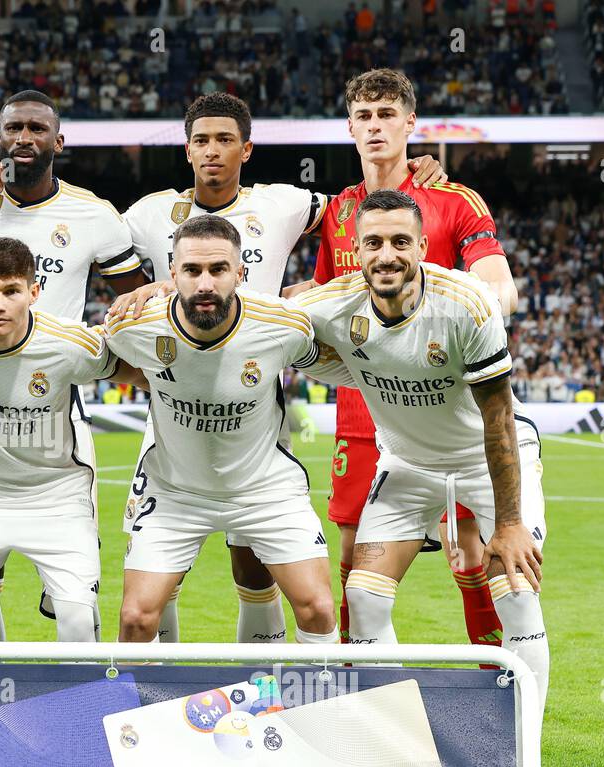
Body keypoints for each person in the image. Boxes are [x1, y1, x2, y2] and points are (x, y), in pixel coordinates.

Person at [111, 91, 443, 644]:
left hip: (258, 403)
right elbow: (82, 240)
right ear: (186, 150)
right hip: (173, 409)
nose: (212, 151)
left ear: (247, 149)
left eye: (224, 140)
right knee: (156, 589)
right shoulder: (148, 213)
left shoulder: (282, 203)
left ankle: (259, 695)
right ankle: (155, 706)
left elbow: (358, 210)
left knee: (254, 565)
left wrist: (410, 169)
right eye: (201, 141)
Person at [296, 190, 549, 709]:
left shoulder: (465, 305)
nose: (386, 254)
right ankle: (395, 749)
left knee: (518, 592)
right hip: (408, 466)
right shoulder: (331, 307)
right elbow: (249, 312)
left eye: (399, 242)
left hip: (488, 460)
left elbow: (499, 420)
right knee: (363, 597)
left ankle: (522, 752)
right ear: (357, 251)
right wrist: (165, 290)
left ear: (423, 246)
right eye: (373, 243)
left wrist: (507, 524)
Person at [299, 69, 519, 655]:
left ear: (409, 123)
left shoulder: (450, 200)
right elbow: (323, 306)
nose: (375, 127)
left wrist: (479, 315)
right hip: (363, 404)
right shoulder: (338, 212)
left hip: (447, 406)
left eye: (387, 115)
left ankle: (492, 678)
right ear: (349, 128)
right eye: (364, 117)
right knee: (352, 557)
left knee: (472, 551)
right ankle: (360, 692)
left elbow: (498, 288)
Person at [0, 89, 147, 639]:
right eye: (14, 128)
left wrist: (114, 356)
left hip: (59, 409)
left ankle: (70, 705)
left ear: (59, 142)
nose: (24, 138)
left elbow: (138, 298)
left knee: (73, 605)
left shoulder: (93, 214)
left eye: (37, 129)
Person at [105, 216, 338, 645]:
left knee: (319, 608)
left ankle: (308, 707)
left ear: (240, 273)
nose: (206, 283)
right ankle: (145, 710)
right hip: (176, 492)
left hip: (264, 489)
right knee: (137, 619)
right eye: (192, 271)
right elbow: (109, 364)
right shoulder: (133, 326)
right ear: (171, 275)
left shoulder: (283, 326)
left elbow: (331, 355)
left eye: (218, 270)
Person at [0, 237, 146, 641]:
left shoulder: (71, 343)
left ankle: (80, 706)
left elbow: (141, 373)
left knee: (77, 620)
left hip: (57, 499)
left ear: (34, 292)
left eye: (11, 291)